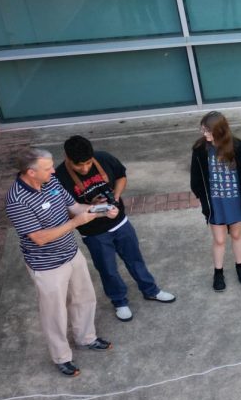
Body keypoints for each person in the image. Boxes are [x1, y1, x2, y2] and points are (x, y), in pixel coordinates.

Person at [5, 147, 114, 377]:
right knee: (55, 313)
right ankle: (62, 357)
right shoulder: (17, 200)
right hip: (47, 266)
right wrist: (76, 223)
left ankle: (86, 338)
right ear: (30, 172)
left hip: (71, 253)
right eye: (47, 168)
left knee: (84, 297)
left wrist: (100, 210)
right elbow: (39, 238)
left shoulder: (52, 183)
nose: (53, 171)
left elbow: (74, 208)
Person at [57, 135, 175, 323]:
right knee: (107, 269)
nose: (85, 168)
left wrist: (116, 196)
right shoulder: (59, 177)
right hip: (93, 232)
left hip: (120, 222)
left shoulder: (103, 158)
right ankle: (119, 302)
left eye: (88, 163)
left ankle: (151, 291)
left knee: (135, 259)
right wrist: (92, 208)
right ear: (67, 158)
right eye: (79, 165)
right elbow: (66, 211)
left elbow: (121, 176)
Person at [190, 111, 241, 291]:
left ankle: (240, 266)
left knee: (236, 234)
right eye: (203, 130)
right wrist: (202, 197)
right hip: (215, 202)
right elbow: (196, 178)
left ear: (219, 130)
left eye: (208, 130)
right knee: (219, 239)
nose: (205, 134)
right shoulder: (200, 149)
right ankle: (218, 272)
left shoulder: (238, 147)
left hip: (235, 200)